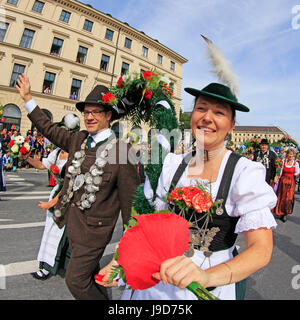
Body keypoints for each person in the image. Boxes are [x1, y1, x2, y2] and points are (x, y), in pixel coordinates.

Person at [97, 83, 277, 300]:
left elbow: (261, 250)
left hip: (208, 284)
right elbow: (148, 225)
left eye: (219, 112)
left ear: (231, 126)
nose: (207, 118)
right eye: (201, 108)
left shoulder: (244, 173)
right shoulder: (173, 164)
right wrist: (120, 261)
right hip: (155, 282)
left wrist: (207, 277)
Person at [16, 73, 140, 300]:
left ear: (108, 115)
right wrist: (28, 99)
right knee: (90, 276)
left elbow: (130, 204)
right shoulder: (78, 139)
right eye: (86, 112)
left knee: (75, 280)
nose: (89, 117)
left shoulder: (123, 152)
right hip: (70, 224)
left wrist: (126, 247)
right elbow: (49, 129)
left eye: (95, 112)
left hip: (94, 233)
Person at [21, 114, 80, 280]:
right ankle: (52, 264)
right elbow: (42, 165)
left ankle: (52, 266)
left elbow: (71, 182)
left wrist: (52, 203)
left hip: (67, 196)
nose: (59, 134)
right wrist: (27, 158)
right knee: (52, 231)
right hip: (58, 193)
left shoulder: (75, 155)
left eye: (63, 131)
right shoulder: (57, 152)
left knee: (61, 231)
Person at [273, 149, 300, 222]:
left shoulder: (295, 164)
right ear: (287, 155)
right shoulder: (283, 162)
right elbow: (280, 172)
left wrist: (298, 175)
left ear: (293, 155)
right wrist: (276, 177)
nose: (290, 156)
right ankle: (279, 211)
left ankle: (285, 213)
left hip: (291, 182)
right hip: (283, 181)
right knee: (281, 196)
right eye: (289, 154)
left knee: (288, 198)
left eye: (291, 154)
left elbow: (297, 174)